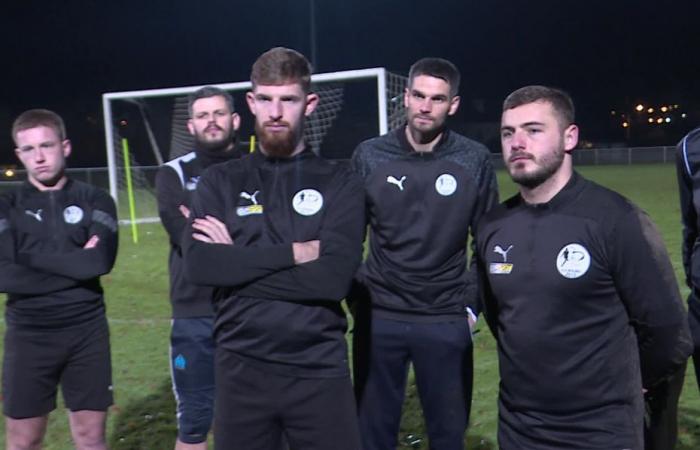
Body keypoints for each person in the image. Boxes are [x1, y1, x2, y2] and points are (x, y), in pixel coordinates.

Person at [477, 85, 692, 449]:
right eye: (508, 132)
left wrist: (629, 384)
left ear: (570, 136)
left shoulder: (615, 220)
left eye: (533, 130)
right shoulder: (493, 226)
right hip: (519, 428)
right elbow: (500, 318)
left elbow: (668, 332)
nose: (517, 142)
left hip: (600, 430)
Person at [182, 47, 365, 450]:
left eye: (288, 99)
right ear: (250, 102)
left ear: (310, 104)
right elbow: (199, 266)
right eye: (265, 99)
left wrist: (236, 267)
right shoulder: (220, 182)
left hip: (318, 370)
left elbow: (333, 280)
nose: (276, 111)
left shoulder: (341, 181)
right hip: (240, 371)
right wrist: (293, 253)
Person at [350, 57, 498, 450]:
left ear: (453, 105)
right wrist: (359, 302)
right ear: (406, 96)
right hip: (380, 315)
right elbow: (348, 238)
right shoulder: (370, 155)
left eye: (437, 98)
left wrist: (469, 307)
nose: (425, 106)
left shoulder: (473, 159)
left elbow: (486, 242)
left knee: (448, 437)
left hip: (445, 317)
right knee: (371, 435)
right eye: (419, 95)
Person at [0, 109, 118, 450]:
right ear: (19, 154)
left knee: (90, 438)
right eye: (28, 149)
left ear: (64, 147)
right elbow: (4, 274)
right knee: (23, 441)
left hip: (86, 333)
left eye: (46, 146)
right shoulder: (7, 204)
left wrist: (27, 259)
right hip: (29, 335)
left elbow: (98, 262)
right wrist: (75, 263)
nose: (38, 157)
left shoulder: (96, 199)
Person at [155, 86, 243, 449]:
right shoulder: (172, 174)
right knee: (194, 422)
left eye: (219, 113)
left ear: (235, 120)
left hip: (247, 308)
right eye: (203, 115)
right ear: (191, 125)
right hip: (194, 314)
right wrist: (238, 232)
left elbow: (270, 235)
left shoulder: (257, 169)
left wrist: (210, 226)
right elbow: (187, 240)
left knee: (250, 419)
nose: (212, 121)